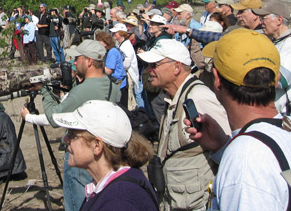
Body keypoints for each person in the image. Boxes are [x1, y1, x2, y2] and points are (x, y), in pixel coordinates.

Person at [191, 29, 291, 211]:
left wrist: (235, 153)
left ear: (217, 80)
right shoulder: (284, 131)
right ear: (276, 80)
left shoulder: (246, 158)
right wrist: (222, 146)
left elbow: (253, 173)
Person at [22, 40, 121, 211]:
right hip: (106, 152)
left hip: (83, 151)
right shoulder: (113, 87)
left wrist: (44, 90)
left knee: (77, 201)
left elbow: (55, 118)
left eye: (78, 59)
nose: (74, 63)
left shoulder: (83, 90)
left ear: (89, 61)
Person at [137, 39, 230, 210]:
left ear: (176, 67)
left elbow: (229, 152)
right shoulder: (173, 97)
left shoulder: (198, 97)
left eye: (154, 65)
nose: (149, 70)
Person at [52, 100, 158, 211]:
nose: (65, 139)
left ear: (97, 146)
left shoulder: (118, 202)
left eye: (73, 135)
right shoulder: (124, 180)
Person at [252, 1, 291, 114]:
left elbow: (282, 79)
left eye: (264, 18)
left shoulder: (289, 44)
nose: (260, 22)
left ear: (279, 20)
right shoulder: (277, 42)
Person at [95, 31, 127, 105]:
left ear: (105, 43)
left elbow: (108, 70)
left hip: (118, 83)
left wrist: (97, 64)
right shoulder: (111, 50)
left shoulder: (112, 52)